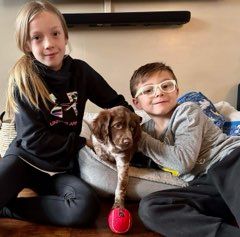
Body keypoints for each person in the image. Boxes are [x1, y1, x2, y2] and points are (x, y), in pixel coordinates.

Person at [1, 0, 132, 226]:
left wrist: (131, 121)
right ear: (26, 44)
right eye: (37, 37)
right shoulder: (23, 81)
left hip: (62, 168)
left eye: (55, 33)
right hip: (24, 161)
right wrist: (83, 143)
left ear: (65, 36)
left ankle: (9, 208)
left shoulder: (81, 72)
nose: (49, 43)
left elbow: (116, 104)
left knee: (85, 209)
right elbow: (34, 141)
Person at [130, 62, 240, 236]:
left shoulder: (187, 111)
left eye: (166, 86)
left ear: (177, 91)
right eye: (148, 90)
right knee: (150, 208)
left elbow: (182, 163)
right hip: (203, 185)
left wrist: (138, 137)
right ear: (137, 103)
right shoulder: (146, 130)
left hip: (230, 163)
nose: (159, 92)